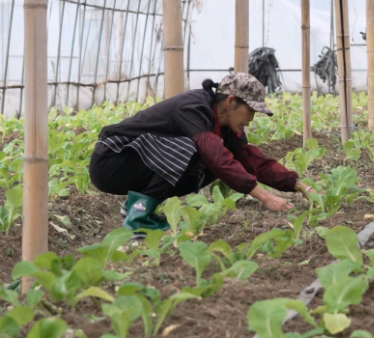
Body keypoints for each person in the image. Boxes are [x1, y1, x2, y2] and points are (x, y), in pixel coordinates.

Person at [89, 73, 316, 237]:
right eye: (250, 111)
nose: (251, 119)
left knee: (209, 164)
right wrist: (264, 197)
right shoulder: (193, 107)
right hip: (112, 160)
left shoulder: (227, 126)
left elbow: (251, 159)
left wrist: (298, 185)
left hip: (134, 163)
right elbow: (214, 155)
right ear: (230, 102)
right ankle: (137, 220)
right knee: (197, 151)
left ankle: (136, 207)